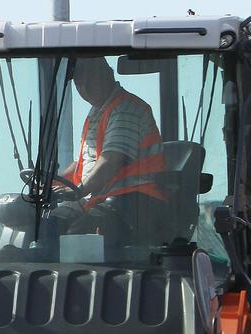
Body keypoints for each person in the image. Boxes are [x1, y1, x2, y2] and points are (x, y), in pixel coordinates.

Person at [56, 57, 168, 244]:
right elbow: (84, 164)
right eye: (79, 83)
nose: (84, 88)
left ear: (108, 73)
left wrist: (80, 191)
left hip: (136, 201)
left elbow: (112, 160)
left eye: (90, 80)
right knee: (51, 225)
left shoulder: (126, 108)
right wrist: (53, 181)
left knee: (78, 235)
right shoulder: (97, 112)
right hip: (105, 198)